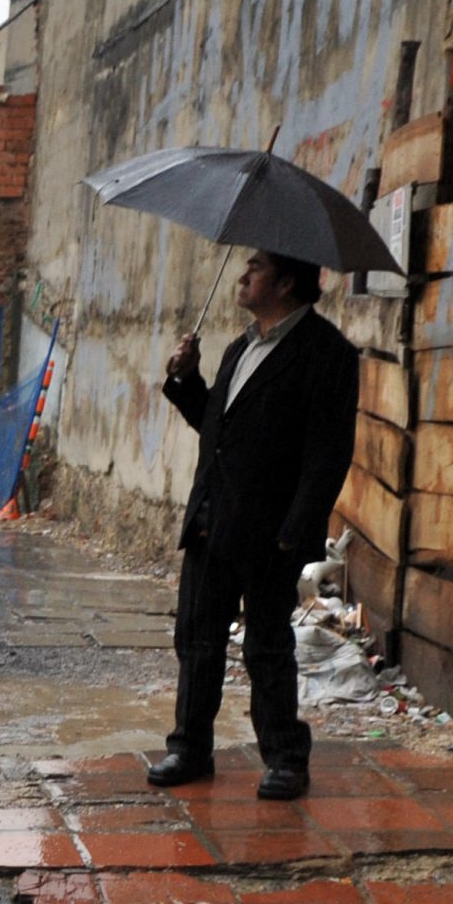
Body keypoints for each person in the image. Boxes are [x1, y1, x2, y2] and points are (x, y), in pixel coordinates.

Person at [148, 250, 359, 801]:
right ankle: (189, 748)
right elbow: (218, 429)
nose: (242, 276)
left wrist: (297, 531)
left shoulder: (326, 353)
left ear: (287, 282)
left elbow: (328, 453)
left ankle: (286, 758)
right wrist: (186, 380)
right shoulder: (242, 346)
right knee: (196, 640)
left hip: (271, 530)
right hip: (212, 518)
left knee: (266, 645)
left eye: (256, 267)